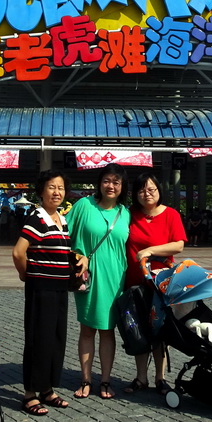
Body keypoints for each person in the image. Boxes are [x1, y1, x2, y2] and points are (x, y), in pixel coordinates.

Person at [12, 169, 73, 416]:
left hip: (59, 289)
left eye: (60, 187)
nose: (56, 192)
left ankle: (47, 389)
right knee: (38, 340)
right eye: (51, 187)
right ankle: (29, 394)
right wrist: (27, 275)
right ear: (41, 192)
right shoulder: (36, 218)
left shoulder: (61, 218)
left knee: (56, 339)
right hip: (41, 289)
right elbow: (18, 252)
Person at [67, 163, 130, 400]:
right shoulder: (84, 205)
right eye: (106, 180)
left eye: (116, 182)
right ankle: (85, 379)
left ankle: (105, 380)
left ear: (122, 187)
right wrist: (76, 256)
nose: (110, 185)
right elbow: (63, 232)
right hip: (89, 278)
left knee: (107, 330)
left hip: (115, 279)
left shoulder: (125, 213)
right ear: (99, 183)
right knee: (87, 329)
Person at [123, 171, 186, 397]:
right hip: (133, 283)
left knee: (160, 331)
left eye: (151, 189)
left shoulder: (170, 215)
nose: (146, 194)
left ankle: (160, 378)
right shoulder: (129, 214)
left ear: (159, 191)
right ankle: (141, 377)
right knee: (137, 329)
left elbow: (178, 245)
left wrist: (150, 251)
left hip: (161, 284)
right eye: (141, 190)